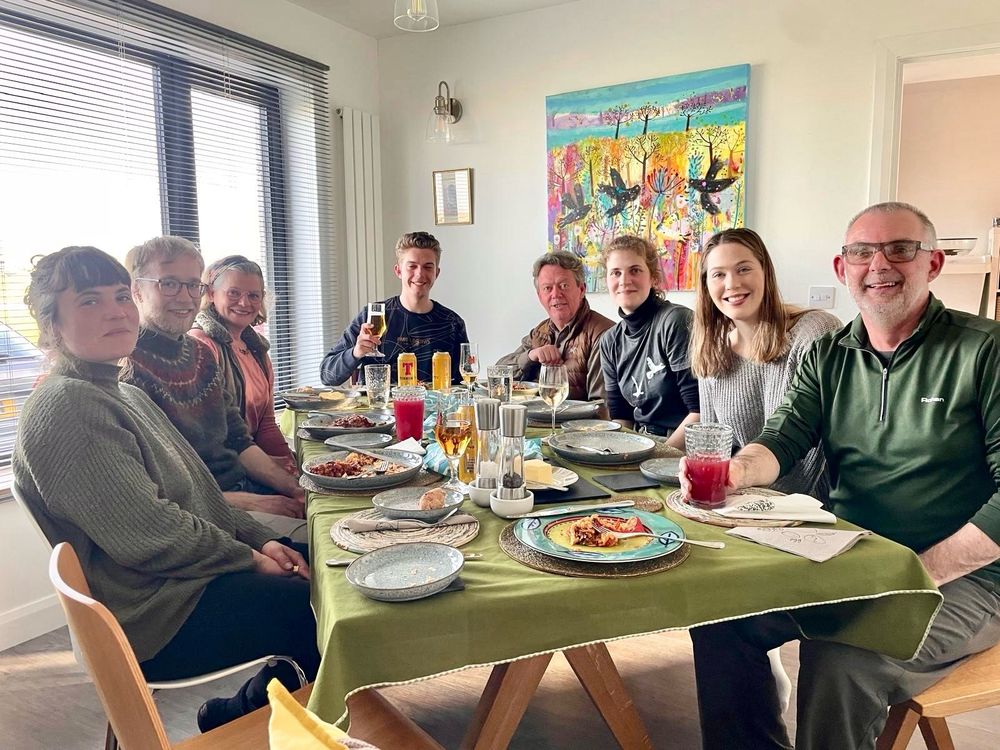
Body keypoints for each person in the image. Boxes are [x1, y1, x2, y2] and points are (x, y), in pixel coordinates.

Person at [683, 202, 1000, 750]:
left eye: (900, 249)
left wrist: (911, 572)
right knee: (721, 619)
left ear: (934, 263)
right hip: (854, 559)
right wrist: (733, 471)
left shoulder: (985, 349)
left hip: (965, 578)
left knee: (842, 660)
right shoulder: (830, 354)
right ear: (841, 268)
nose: (879, 264)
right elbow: (781, 439)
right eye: (861, 252)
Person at [13, 246, 319, 733]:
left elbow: (201, 495)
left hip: (181, 579)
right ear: (51, 326)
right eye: (90, 301)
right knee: (325, 608)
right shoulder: (68, 406)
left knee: (328, 562)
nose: (115, 310)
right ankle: (285, 727)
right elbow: (149, 534)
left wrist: (261, 540)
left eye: (119, 296)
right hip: (153, 613)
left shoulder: (121, 392)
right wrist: (251, 557)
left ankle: (242, 714)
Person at [121, 236, 306, 541]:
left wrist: (293, 487)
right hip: (206, 516)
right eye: (169, 283)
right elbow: (160, 491)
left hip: (244, 491)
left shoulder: (200, 354)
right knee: (329, 544)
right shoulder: (129, 370)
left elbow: (239, 440)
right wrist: (253, 502)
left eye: (192, 284)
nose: (185, 297)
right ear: (136, 289)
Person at [691, 227, 841, 499]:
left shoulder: (814, 332)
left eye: (744, 269)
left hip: (816, 506)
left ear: (765, 272)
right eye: (718, 274)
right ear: (706, 286)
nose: (732, 284)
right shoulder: (713, 353)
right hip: (746, 498)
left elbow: (828, 443)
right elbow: (713, 452)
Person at [189, 255, 296, 475]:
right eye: (234, 293)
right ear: (210, 294)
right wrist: (270, 470)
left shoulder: (257, 350)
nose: (244, 303)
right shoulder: (201, 345)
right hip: (224, 475)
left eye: (253, 295)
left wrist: (289, 465)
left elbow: (266, 425)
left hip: (257, 463)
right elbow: (208, 439)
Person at [320, 231, 469, 385]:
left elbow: (464, 383)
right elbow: (327, 375)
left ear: (436, 273)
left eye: (428, 267)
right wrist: (355, 352)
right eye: (412, 266)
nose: (419, 274)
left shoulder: (452, 323)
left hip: (431, 408)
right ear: (398, 271)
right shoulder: (373, 316)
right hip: (378, 408)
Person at [599, 235, 699, 448]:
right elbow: (621, 416)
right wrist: (621, 454)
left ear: (653, 278)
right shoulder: (609, 341)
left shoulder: (675, 321)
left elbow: (699, 411)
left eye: (635, 270)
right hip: (639, 442)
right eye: (616, 273)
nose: (624, 281)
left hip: (681, 447)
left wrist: (658, 457)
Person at [495, 250, 614, 402]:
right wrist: (531, 356)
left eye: (564, 286)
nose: (556, 294)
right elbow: (498, 375)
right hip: (536, 420)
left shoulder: (603, 334)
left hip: (576, 424)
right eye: (547, 288)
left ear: (582, 290)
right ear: (539, 296)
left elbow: (601, 405)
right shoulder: (539, 332)